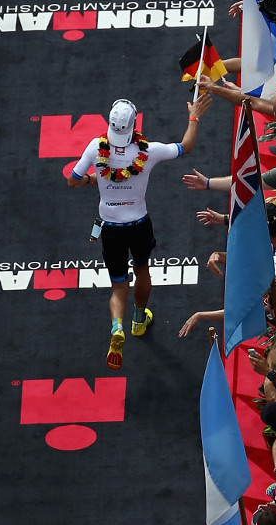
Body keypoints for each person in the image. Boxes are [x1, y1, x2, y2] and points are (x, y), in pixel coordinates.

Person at [68, 96, 208, 363]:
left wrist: (90, 178)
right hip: (139, 224)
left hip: (110, 228)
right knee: (142, 269)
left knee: (118, 286)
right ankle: (139, 318)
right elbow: (185, 146)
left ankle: (116, 327)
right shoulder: (150, 150)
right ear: (134, 126)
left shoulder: (96, 148)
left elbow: (72, 181)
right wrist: (194, 116)